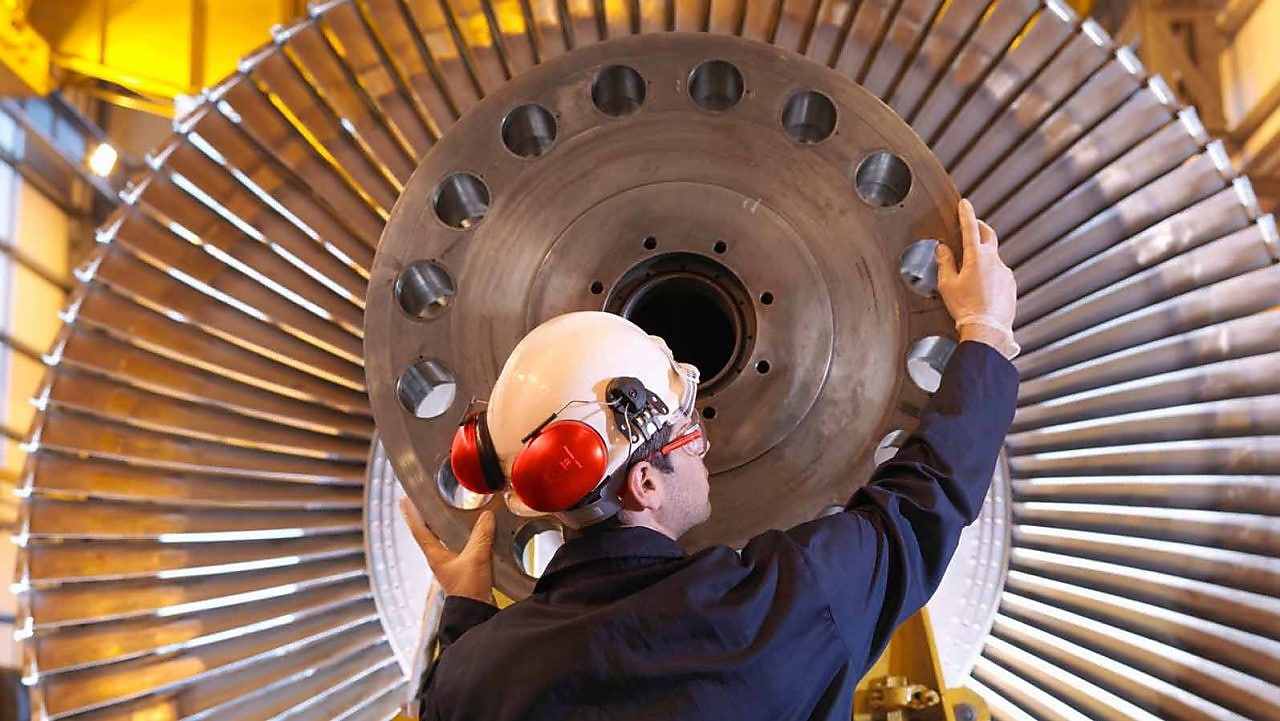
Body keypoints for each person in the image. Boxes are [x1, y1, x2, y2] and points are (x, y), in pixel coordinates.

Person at [400, 199, 1020, 720]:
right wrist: (985, 329)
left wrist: (467, 617)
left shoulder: (469, 681)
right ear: (643, 482)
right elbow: (920, 508)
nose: (704, 442)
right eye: (687, 430)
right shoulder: (779, 610)